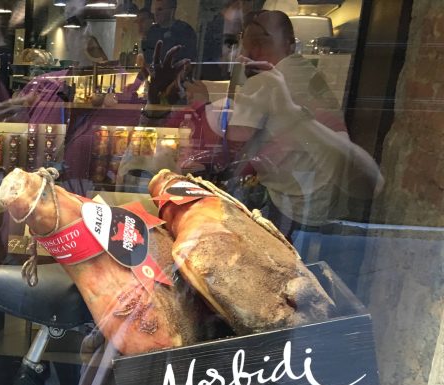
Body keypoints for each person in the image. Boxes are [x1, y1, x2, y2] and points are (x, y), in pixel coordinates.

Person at [225, 10, 382, 255]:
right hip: (325, 200)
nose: (251, 50)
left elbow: (235, 142)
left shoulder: (264, 80)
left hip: (293, 200)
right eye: (249, 41)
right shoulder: (308, 71)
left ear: (289, 44)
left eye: (262, 41)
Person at [142, 0, 198, 66]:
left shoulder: (184, 30)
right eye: (155, 10)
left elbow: (189, 59)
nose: (156, 13)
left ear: (172, 11)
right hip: (156, 71)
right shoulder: (152, 31)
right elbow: (148, 59)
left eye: (160, 9)